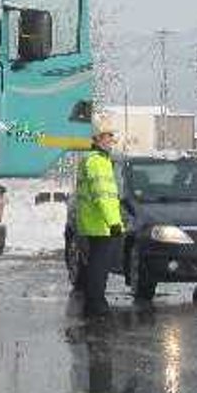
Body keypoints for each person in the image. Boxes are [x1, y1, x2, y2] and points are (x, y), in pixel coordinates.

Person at [75, 116, 125, 318]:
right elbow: (103, 196)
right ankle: (96, 304)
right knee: (99, 267)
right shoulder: (98, 162)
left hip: (93, 223)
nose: (111, 140)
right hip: (100, 224)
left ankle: (93, 302)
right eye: (107, 136)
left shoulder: (93, 160)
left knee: (94, 265)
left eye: (111, 136)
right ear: (96, 138)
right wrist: (114, 223)